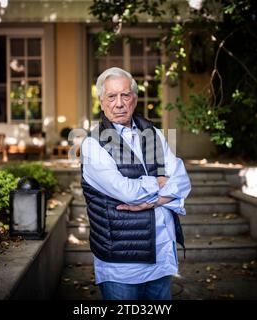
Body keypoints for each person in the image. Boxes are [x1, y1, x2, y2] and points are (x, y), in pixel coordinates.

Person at [80, 67, 191, 300]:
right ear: (101, 102)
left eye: (125, 95)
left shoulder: (154, 133)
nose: (119, 103)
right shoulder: (92, 144)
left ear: (135, 99)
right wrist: (159, 184)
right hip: (122, 263)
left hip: (161, 253)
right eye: (111, 96)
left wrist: (152, 201)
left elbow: (181, 180)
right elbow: (127, 192)